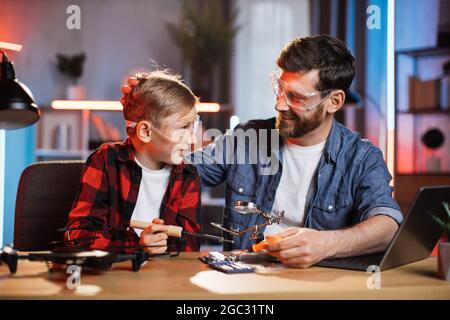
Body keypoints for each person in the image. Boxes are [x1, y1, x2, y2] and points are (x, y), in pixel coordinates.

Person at [122, 35, 403, 268]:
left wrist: (325, 244)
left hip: (320, 288)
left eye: (296, 97)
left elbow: (388, 225)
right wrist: (143, 113)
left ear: (334, 101)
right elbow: (175, 170)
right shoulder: (248, 138)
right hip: (243, 283)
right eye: (279, 89)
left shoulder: (362, 157)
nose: (279, 105)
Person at [65, 70, 202, 254]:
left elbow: (190, 245)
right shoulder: (105, 161)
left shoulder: (188, 176)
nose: (192, 139)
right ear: (145, 132)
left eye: (194, 126)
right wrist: (137, 245)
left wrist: (161, 246)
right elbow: (78, 235)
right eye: (184, 128)